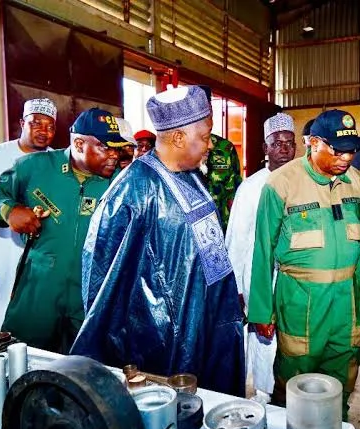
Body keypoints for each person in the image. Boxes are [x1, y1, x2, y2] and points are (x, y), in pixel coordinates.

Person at [71, 86, 245, 396]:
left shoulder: (192, 175)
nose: (210, 146)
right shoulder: (132, 190)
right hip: (164, 336)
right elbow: (101, 279)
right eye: (205, 137)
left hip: (208, 316)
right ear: (178, 138)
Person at [248, 109, 360, 419]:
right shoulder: (282, 183)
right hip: (300, 300)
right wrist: (261, 310)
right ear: (314, 143)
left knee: (342, 377)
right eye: (338, 150)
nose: (346, 158)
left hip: (346, 302)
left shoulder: (356, 183)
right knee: (295, 382)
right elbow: (263, 248)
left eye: (351, 150)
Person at [0, 108, 126, 353]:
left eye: (117, 148)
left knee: (86, 365)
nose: (114, 155)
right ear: (79, 144)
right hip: (39, 287)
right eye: (106, 147)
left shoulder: (120, 182)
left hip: (90, 293)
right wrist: (10, 211)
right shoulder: (33, 167)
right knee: (23, 357)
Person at [0, 98, 57, 337]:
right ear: (22, 123)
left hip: (43, 264)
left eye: (50, 126)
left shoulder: (59, 163)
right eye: (36, 123)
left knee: (41, 333)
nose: (43, 131)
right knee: (0, 331)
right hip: (1, 259)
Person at [226, 112, 296, 402]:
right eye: (276, 143)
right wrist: (236, 287)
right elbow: (237, 239)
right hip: (259, 275)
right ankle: (262, 393)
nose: (284, 148)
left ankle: (284, 391)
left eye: (289, 143)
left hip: (293, 278)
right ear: (265, 148)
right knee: (261, 336)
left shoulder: (304, 182)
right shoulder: (251, 187)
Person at [199, 87, 242, 232]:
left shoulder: (225, 148)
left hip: (221, 228)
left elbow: (235, 193)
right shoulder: (180, 152)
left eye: (209, 110)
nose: (207, 116)